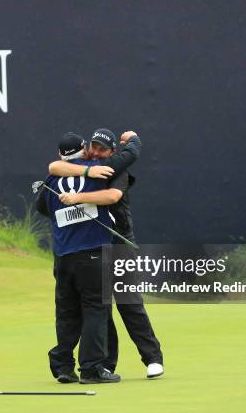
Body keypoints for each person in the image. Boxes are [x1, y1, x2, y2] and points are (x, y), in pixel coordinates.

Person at [49, 128, 164, 379]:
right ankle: (105, 363)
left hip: (119, 244)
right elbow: (54, 167)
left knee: (128, 302)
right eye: (94, 146)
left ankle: (152, 358)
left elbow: (113, 195)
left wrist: (77, 198)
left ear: (112, 152)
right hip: (93, 248)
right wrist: (87, 172)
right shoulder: (82, 168)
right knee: (100, 308)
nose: (97, 151)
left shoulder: (115, 169)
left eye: (103, 149)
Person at [35, 132, 122, 384]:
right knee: (96, 309)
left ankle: (63, 366)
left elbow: (44, 209)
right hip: (94, 252)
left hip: (63, 257)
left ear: (59, 155)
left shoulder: (52, 180)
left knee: (67, 313)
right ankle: (92, 368)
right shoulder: (97, 169)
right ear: (84, 150)